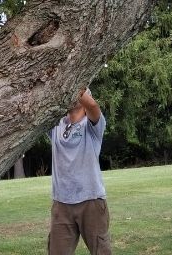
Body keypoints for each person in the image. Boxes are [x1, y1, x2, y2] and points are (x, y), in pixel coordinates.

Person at [47, 88, 112, 255]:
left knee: (101, 251)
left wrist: (72, 84)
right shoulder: (56, 125)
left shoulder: (93, 126)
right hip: (61, 203)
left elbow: (93, 106)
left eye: (80, 93)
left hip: (91, 201)